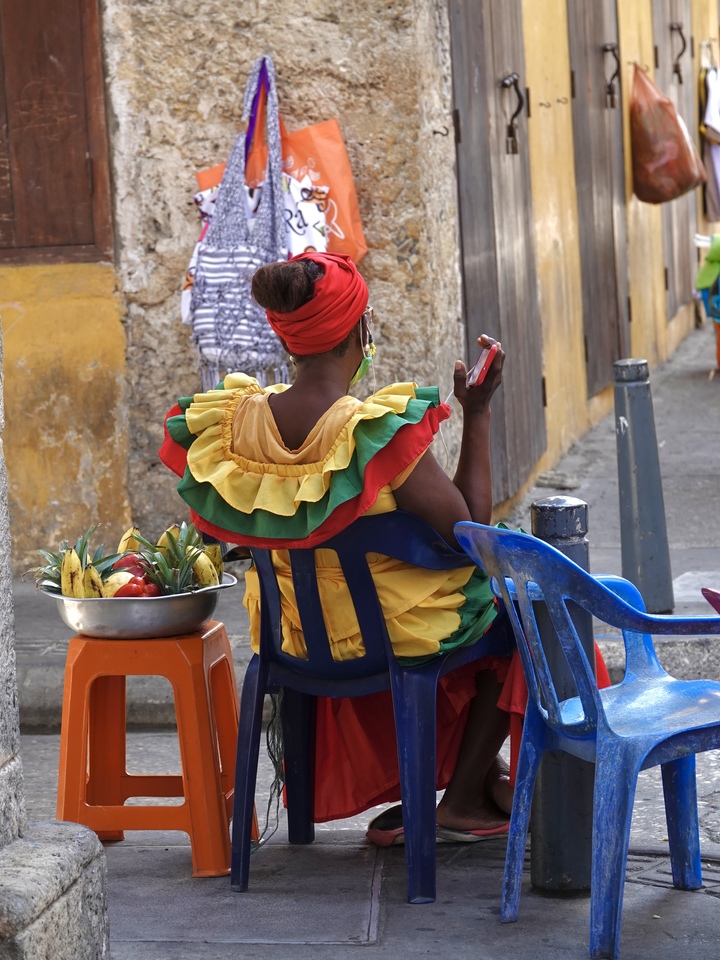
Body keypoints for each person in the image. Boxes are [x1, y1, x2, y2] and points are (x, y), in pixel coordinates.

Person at [159, 252, 584, 844]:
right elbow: (471, 534)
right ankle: (463, 798)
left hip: (293, 637)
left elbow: (210, 532)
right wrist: (479, 414)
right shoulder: (368, 429)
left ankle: (478, 778)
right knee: (516, 608)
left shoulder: (232, 427)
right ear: (360, 333)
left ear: (289, 338)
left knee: (459, 604)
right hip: (386, 635)